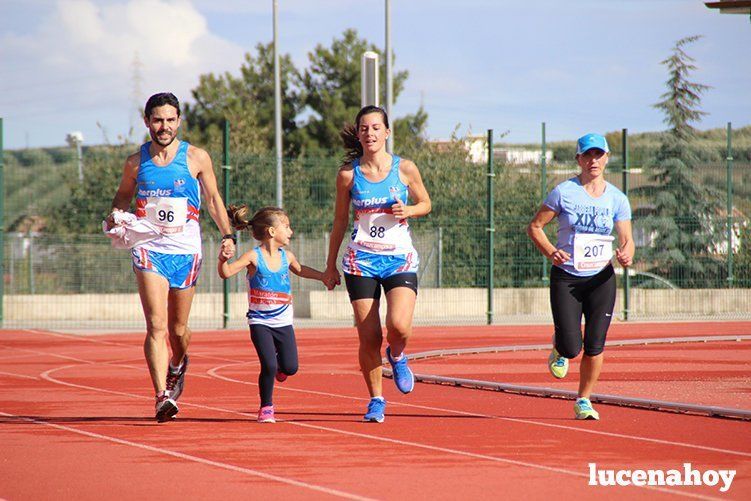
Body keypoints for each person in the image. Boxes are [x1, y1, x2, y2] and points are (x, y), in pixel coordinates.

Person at [107, 92, 236, 422]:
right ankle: (161, 395)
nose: (163, 126)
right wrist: (115, 218)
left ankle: (178, 363)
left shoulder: (196, 158)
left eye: (169, 120)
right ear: (147, 121)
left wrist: (227, 235)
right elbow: (122, 197)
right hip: (149, 248)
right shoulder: (135, 163)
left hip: (185, 249)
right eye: (157, 120)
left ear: (178, 121)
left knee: (178, 331)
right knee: (157, 326)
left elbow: (213, 200)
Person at [323, 106, 432, 423]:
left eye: (375, 128)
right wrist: (330, 266)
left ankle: (397, 354)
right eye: (364, 128)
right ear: (358, 134)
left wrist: (408, 211)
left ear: (386, 132)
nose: (369, 133)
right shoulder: (348, 175)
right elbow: (340, 222)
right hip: (361, 261)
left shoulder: (405, 169)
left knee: (398, 326)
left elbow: (426, 203)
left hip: (399, 258)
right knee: (368, 336)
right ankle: (376, 400)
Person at [527, 133, 634, 420]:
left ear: (607, 158)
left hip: (601, 278)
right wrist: (551, 251)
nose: (593, 160)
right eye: (587, 155)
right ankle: (560, 346)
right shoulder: (563, 192)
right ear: (578, 159)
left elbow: (627, 239)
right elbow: (535, 227)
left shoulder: (617, 199)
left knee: (596, 343)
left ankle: (584, 400)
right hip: (567, 278)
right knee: (572, 347)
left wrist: (626, 254)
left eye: (599, 155)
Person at [218, 205, 330, 423]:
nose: (290, 231)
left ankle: (280, 368)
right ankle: (266, 406)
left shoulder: (287, 257)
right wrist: (223, 260)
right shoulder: (253, 256)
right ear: (271, 231)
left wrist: (324, 277)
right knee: (268, 365)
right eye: (286, 227)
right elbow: (227, 273)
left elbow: (301, 270)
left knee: (290, 367)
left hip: (284, 321)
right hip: (259, 322)